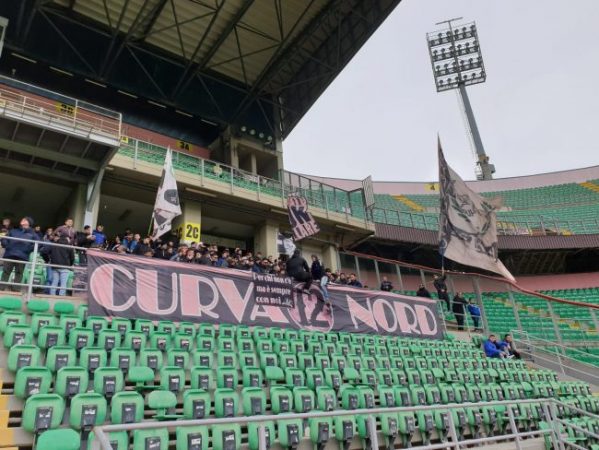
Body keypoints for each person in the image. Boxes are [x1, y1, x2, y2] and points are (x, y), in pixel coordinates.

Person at [0, 217, 39, 291]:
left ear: (29, 223)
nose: (22, 220)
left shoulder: (33, 234)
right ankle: (1, 289)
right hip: (10, 254)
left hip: (22, 256)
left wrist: (28, 249)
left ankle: (16, 290)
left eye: (25, 220)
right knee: (6, 272)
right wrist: (7, 245)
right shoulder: (14, 231)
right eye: (22, 219)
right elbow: (4, 239)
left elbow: (38, 244)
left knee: (19, 273)